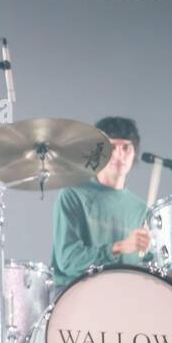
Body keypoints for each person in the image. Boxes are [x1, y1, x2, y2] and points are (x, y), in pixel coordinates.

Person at [49, 116, 150, 291]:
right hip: (75, 296)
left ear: (134, 154)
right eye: (111, 147)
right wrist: (118, 247)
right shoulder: (73, 195)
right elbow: (69, 260)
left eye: (126, 148)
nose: (119, 155)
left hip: (122, 298)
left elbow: (148, 267)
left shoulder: (141, 210)